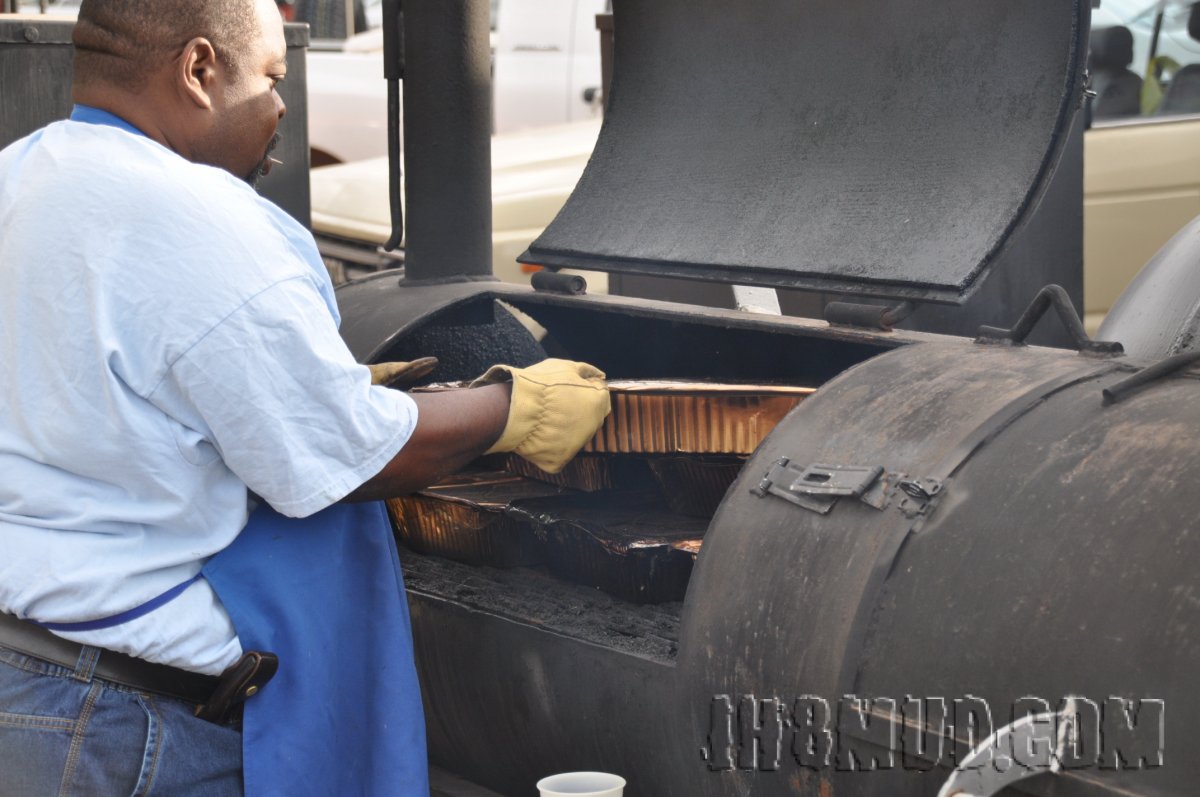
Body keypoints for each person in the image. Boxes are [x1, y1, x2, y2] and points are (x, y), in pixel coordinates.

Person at [0, 0, 610, 794]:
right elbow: (348, 454)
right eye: (270, 77)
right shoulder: (194, 218)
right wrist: (513, 407)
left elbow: (102, 387)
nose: (282, 106)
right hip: (120, 729)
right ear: (197, 71)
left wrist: (306, 390)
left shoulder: (21, 173)